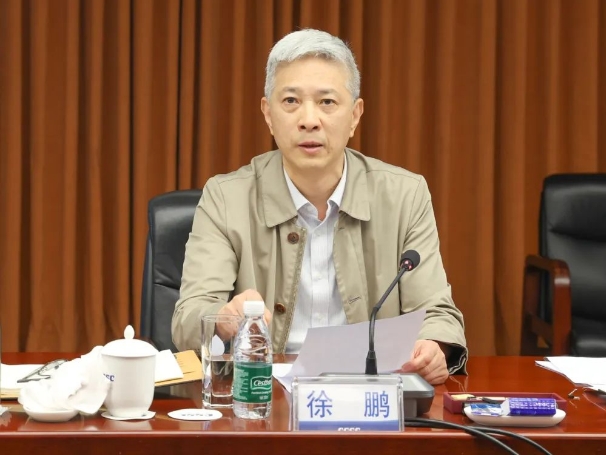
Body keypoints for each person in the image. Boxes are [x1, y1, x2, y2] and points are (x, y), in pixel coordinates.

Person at [172, 29, 467, 383]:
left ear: (355, 115)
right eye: (291, 101)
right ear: (268, 114)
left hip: (371, 393)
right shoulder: (226, 198)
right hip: (264, 394)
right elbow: (188, 317)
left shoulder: (405, 195)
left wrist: (433, 346)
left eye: (327, 102)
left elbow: (437, 314)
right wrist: (224, 317)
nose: (309, 120)